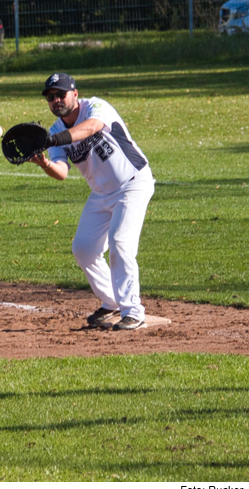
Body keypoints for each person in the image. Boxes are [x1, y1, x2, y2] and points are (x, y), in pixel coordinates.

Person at [29, 73, 155, 330]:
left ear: (75, 93)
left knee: (120, 242)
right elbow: (61, 172)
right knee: (84, 248)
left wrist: (54, 140)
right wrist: (44, 163)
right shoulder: (55, 131)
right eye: (50, 97)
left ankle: (133, 311)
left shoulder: (95, 106)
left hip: (133, 183)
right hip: (101, 193)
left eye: (60, 94)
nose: (56, 101)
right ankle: (111, 302)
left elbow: (91, 127)